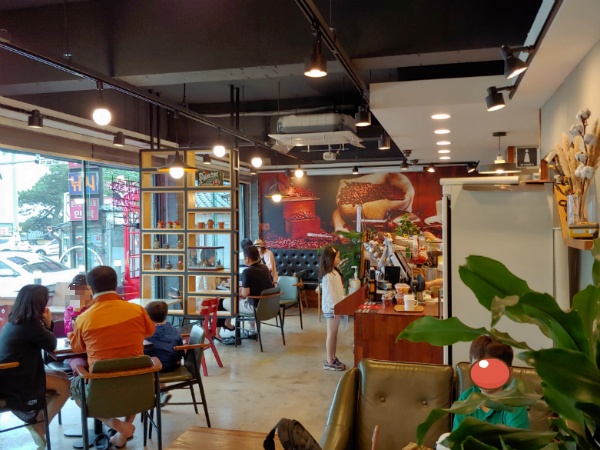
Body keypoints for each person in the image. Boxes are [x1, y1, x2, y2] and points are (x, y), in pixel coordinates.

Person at [69, 266, 155, 448]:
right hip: (139, 387)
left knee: (75, 386)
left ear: (90, 289)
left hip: (101, 389)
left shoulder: (84, 318)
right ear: (116, 285)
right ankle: (122, 434)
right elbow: (149, 332)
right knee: (134, 369)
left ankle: (116, 425)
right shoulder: (137, 310)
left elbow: (77, 348)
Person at [0, 284, 70, 447]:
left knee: (63, 377)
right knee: (66, 386)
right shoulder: (30, 324)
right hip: (17, 380)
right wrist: (49, 323)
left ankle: (38, 420)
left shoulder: (15, 320)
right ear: (38, 303)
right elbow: (51, 344)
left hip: (9, 375)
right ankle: (40, 425)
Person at [452, 335, 529, 430]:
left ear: (508, 372)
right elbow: (457, 436)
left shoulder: (515, 403)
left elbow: (517, 437)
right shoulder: (465, 399)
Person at [222, 245, 273, 345]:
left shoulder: (247, 272)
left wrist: (240, 290)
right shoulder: (265, 268)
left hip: (255, 308)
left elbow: (245, 294)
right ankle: (251, 330)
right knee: (245, 301)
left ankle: (227, 324)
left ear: (247, 258)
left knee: (224, 302)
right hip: (268, 307)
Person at [144, 301, 184, 406]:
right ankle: (163, 391)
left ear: (148, 317)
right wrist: (178, 359)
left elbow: (145, 351)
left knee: (147, 361)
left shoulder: (150, 333)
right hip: (173, 364)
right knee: (159, 355)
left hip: (158, 366)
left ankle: (148, 396)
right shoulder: (174, 329)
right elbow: (180, 346)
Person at [319, 245, 346, 371]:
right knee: (331, 334)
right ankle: (329, 360)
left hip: (336, 308)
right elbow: (330, 295)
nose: (339, 259)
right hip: (332, 309)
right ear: (330, 259)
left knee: (334, 334)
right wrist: (335, 308)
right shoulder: (328, 276)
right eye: (337, 257)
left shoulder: (334, 273)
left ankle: (333, 357)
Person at [63, 273, 94, 373]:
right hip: (75, 353)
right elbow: (69, 332)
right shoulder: (70, 309)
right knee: (80, 365)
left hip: (94, 348)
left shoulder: (96, 307)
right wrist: (76, 312)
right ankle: (80, 382)